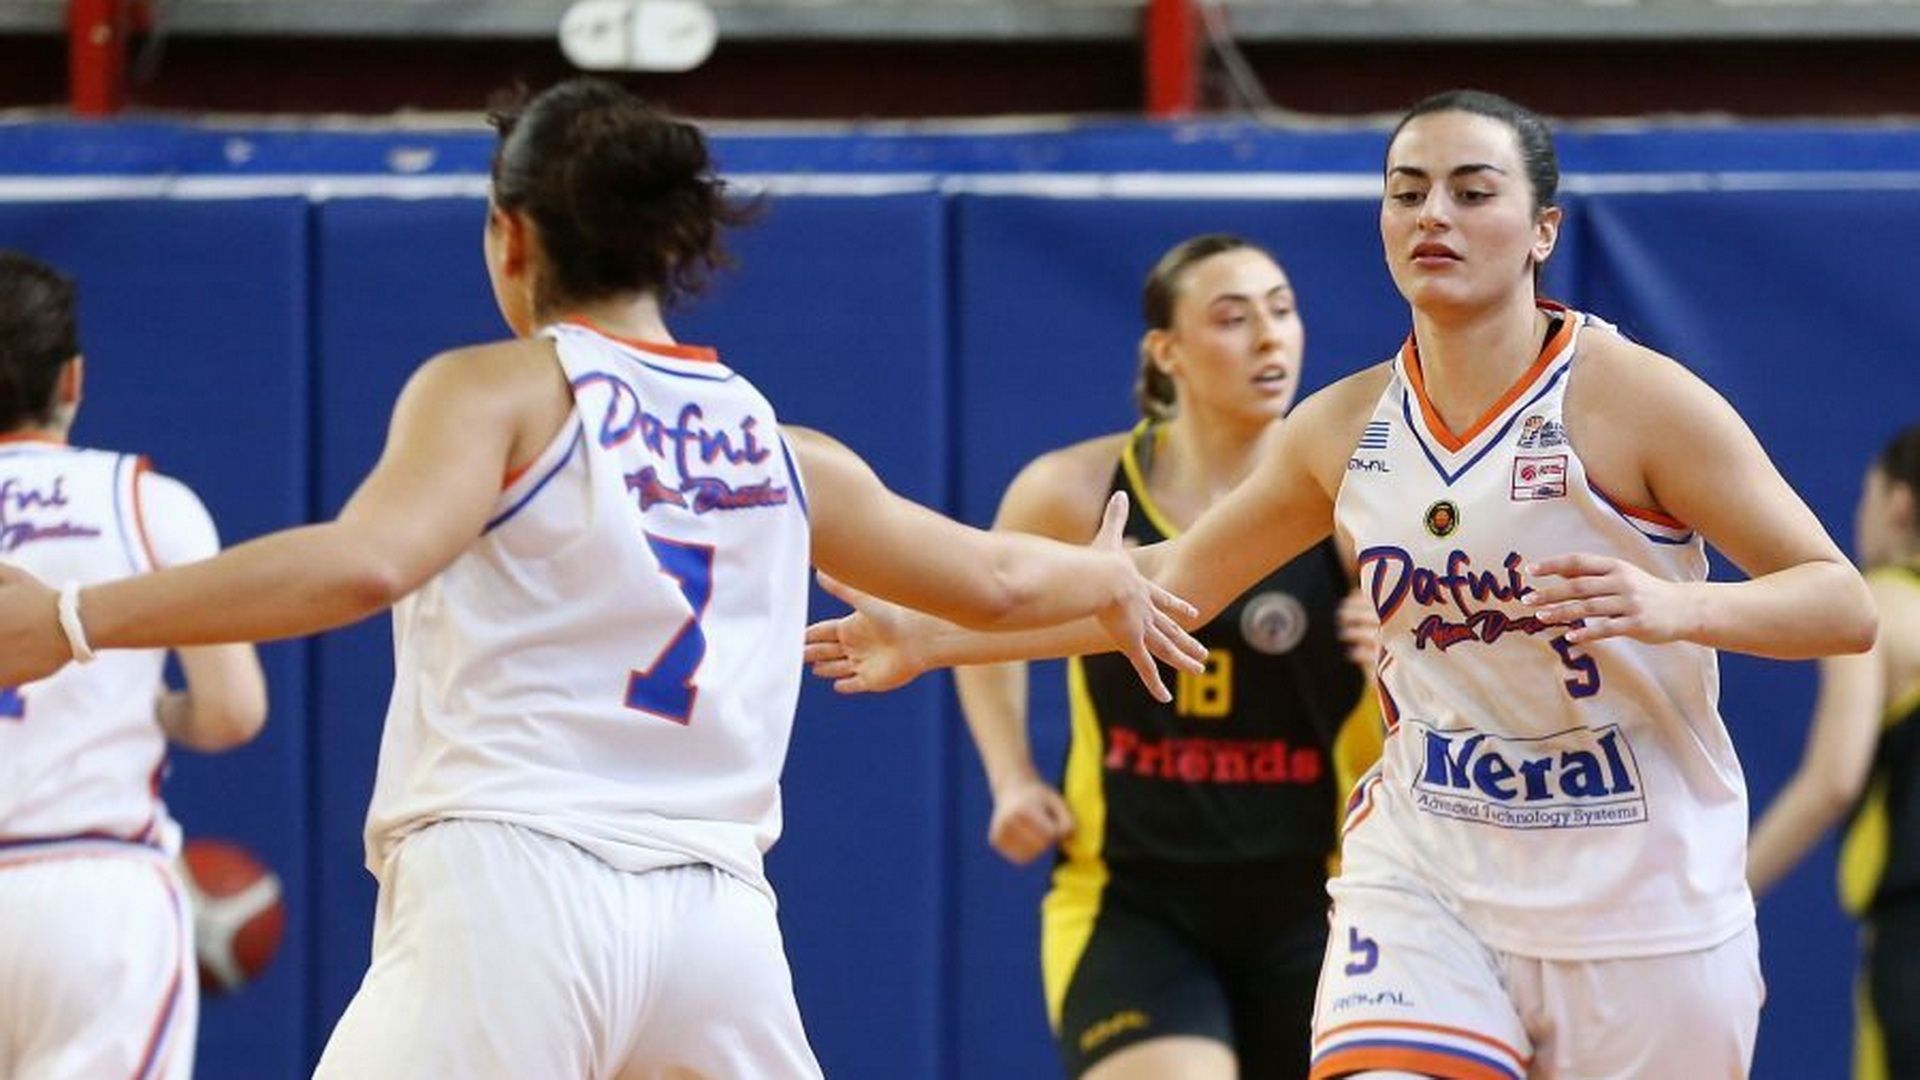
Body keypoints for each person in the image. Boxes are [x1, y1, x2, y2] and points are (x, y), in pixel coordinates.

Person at [0, 80, 1202, 1078]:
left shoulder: (498, 389)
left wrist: (69, 617)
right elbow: (996, 580)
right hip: (716, 922)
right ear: (673, 248)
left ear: (511, 236)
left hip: (516, 883)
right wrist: (1107, 577)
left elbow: (363, 563)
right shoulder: (786, 449)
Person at [804, 88, 1880, 1079]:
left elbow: (1840, 602)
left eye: (1472, 191)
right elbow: (1164, 588)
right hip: (1428, 874)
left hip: (1640, 891)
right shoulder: (1342, 428)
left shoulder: (1636, 400)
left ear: (1543, 230)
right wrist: (937, 636)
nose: (1433, 215)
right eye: (1407, 192)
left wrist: (1680, 606)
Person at [953, 234, 1380, 1079]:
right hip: (1131, 898)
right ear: (1167, 351)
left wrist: (1399, 656)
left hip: (1324, 894)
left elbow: (1453, 690)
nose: (1269, 335)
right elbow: (983, 621)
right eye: (1233, 317)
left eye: (1282, 310)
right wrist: (1012, 776)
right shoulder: (1072, 491)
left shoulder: (1354, 501)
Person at [0, 250, 267, 1079]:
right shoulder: (148, 505)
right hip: (93, 893)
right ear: (72, 379)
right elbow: (232, 713)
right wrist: (157, 710)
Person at [1748, 424, 1920, 1080]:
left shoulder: (1875, 611)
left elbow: (1835, 779)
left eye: (1867, 496)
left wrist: (1727, 893)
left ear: (1898, 503)